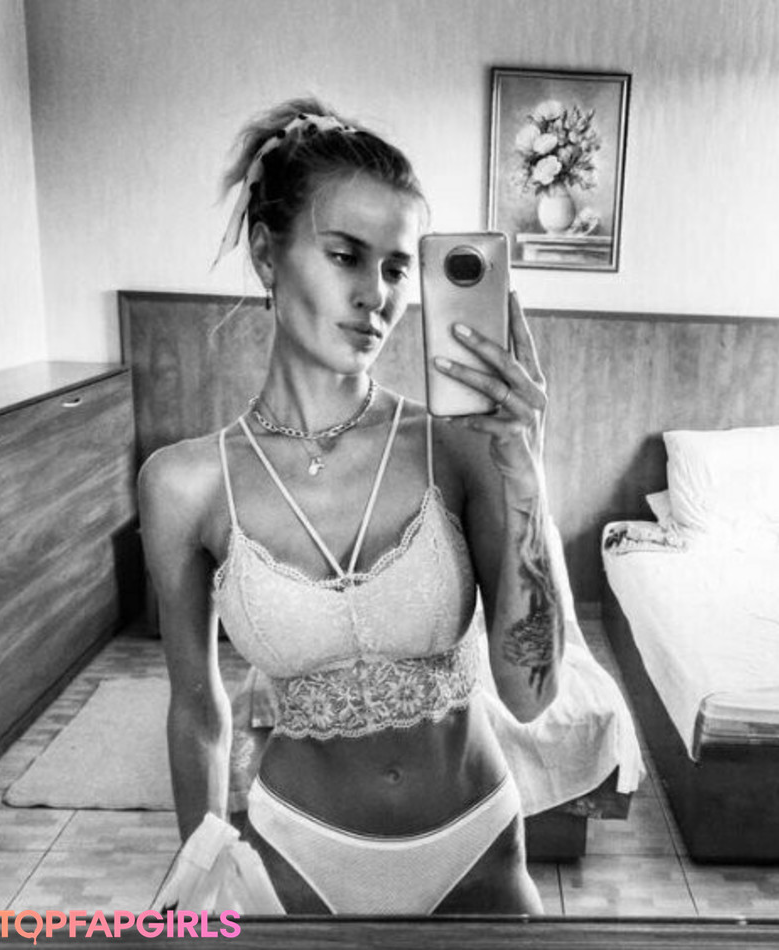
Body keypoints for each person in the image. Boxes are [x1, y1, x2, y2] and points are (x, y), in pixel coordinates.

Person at [138, 97, 563, 915]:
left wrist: (525, 469)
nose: (376, 294)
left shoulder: (457, 446)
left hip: (478, 845)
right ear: (268, 254)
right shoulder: (184, 485)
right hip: (299, 858)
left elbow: (531, 694)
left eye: (398, 268)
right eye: (345, 256)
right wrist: (198, 879)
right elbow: (196, 708)